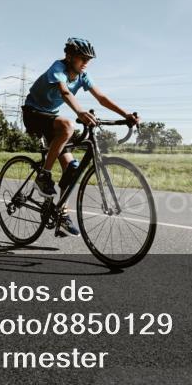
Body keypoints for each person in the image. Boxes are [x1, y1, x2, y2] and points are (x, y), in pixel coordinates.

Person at [21, 37, 139, 237]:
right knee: (68, 126)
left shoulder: (83, 76)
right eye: (82, 58)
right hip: (33, 113)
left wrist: (125, 115)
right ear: (69, 57)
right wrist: (80, 112)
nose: (86, 63)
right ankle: (43, 175)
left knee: (72, 169)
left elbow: (101, 98)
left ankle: (61, 214)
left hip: (51, 119)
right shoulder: (58, 68)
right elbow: (65, 92)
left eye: (88, 60)